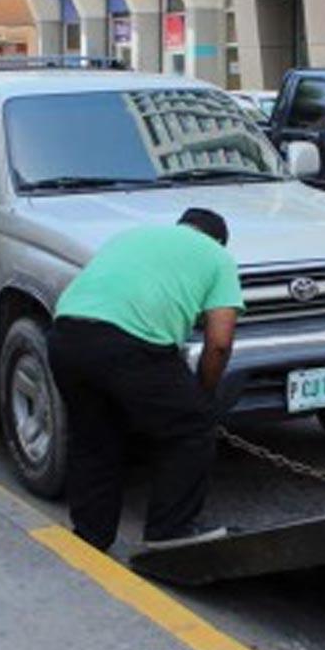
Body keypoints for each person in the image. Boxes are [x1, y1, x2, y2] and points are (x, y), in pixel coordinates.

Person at [47, 209, 243, 552]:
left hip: (67, 336)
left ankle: (91, 538)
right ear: (218, 240)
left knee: (96, 440)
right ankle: (170, 531)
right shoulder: (218, 257)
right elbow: (220, 343)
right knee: (193, 427)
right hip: (130, 344)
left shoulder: (132, 236)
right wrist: (202, 395)